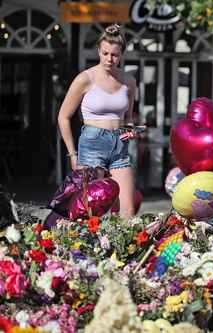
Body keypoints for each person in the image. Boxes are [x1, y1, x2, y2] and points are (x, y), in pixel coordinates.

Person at [58, 24, 140, 219]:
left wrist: (132, 130)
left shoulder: (128, 81)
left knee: (127, 211)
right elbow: (63, 117)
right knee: (89, 212)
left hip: (119, 146)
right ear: (98, 51)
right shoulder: (85, 79)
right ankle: (85, 250)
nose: (109, 59)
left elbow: (127, 118)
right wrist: (72, 154)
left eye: (114, 55)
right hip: (92, 144)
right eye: (105, 53)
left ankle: (123, 250)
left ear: (121, 55)